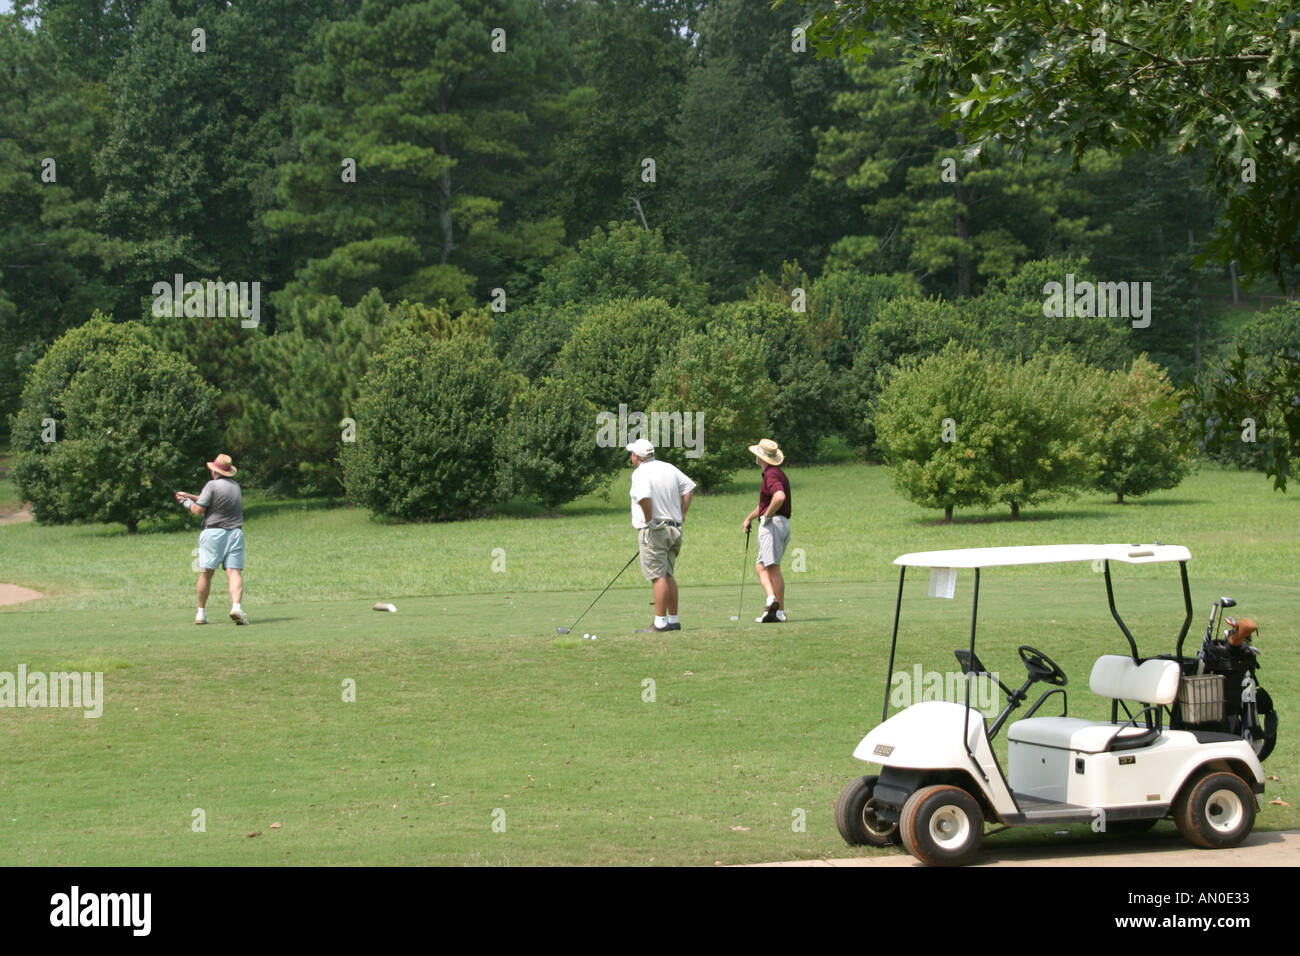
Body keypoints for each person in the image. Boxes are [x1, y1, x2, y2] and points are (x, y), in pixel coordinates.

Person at [627, 438, 695, 632]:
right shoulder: (668, 467)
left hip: (655, 531)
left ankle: (659, 622)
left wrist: (649, 521)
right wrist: (682, 513)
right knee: (667, 574)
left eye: (632, 454)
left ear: (637, 457)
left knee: (658, 576)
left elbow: (644, 498)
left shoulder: (640, 473)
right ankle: (673, 620)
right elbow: (689, 488)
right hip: (674, 529)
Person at [175, 453, 249, 625]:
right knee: (234, 571)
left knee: (206, 573)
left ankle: (201, 613)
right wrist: (190, 495)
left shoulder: (211, 485)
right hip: (235, 533)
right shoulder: (235, 486)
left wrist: (185, 502)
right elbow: (211, 500)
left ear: (214, 471)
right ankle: (236, 606)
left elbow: (197, 510)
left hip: (213, 533)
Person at [742, 438, 790, 623]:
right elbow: (766, 503)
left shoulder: (771, 474)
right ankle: (776, 608)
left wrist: (766, 517)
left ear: (760, 457)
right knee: (762, 566)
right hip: (782, 523)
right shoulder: (776, 473)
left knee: (772, 568)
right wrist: (750, 517)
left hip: (773, 525)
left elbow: (779, 497)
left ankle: (774, 603)